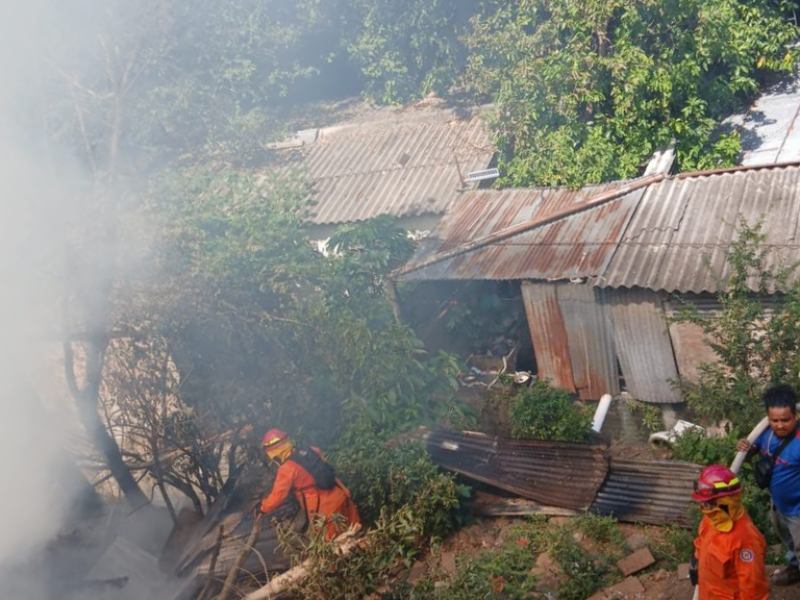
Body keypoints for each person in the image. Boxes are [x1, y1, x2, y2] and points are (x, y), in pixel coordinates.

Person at [737, 383, 800, 586]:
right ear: (767, 418)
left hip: (798, 509)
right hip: (778, 505)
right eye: (774, 420)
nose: (780, 425)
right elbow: (750, 452)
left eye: (785, 420)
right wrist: (744, 447)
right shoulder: (766, 434)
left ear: (795, 416)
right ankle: (794, 569)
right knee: (788, 542)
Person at [259, 428, 360, 540]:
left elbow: (278, 496)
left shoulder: (287, 469)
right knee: (358, 538)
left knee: (334, 546)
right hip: (342, 496)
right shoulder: (311, 450)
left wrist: (262, 508)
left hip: (325, 511)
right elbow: (328, 469)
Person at [691, 464, 769, 599]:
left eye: (706, 501)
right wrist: (696, 559)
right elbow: (702, 539)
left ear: (721, 500)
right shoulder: (712, 517)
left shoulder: (745, 540)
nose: (702, 505)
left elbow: (753, 588)